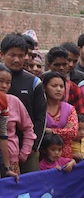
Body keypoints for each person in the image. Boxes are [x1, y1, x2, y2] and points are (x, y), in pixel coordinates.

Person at [1, 33, 46, 173]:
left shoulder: (34, 83)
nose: (17, 59)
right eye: (12, 55)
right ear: (2, 55)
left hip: (27, 148)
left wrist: (32, 149)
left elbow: (40, 118)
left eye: (21, 55)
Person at [0, 65, 35, 179]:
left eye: (8, 82)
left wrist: (24, 153)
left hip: (10, 160)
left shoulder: (12, 102)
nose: (4, 86)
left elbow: (3, 135)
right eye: (1, 81)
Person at [43, 72, 78, 159]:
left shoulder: (69, 109)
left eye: (61, 86)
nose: (58, 89)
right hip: (44, 157)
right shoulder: (39, 108)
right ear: (44, 87)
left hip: (65, 158)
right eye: (54, 86)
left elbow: (72, 133)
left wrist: (51, 131)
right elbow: (40, 133)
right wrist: (63, 130)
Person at [45, 46, 84, 117]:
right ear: (49, 66)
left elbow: (81, 116)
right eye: (57, 65)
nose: (61, 68)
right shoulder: (40, 85)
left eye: (64, 64)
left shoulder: (74, 89)